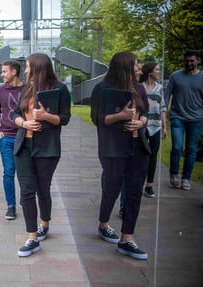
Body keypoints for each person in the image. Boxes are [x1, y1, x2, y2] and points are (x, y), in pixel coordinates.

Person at [91, 51, 150, 260]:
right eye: (137, 66)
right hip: (113, 148)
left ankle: (127, 239)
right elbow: (97, 119)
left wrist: (140, 122)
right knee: (112, 188)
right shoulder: (102, 89)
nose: (140, 70)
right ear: (125, 67)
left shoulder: (139, 88)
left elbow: (146, 112)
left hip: (138, 147)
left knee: (134, 193)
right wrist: (121, 116)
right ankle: (104, 223)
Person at [13, 53, 71, 257]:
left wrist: (46, 116)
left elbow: (65, 118)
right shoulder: (27, 88)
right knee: (27, 191)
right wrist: (24, 123)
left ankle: (44, 222)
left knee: (42, 188)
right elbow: (15, 114)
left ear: (37, 68)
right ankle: (32, 238)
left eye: (28, 67)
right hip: (24, 146)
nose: (25, 70)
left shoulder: (60, 89)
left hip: (47, 148)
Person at [0, 60, 26, 220]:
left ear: (14, 72)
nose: (1, 74)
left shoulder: (28, 89)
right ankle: (10, 205)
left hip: (25, 137)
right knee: (8, 172)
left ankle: (25, 199)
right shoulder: (0, 90)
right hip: (6, 138)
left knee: (25, 172)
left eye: (4, 71)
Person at [164, 50, 203, 191]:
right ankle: (174, 174)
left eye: (192, 60)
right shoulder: (176, 76)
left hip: (197, 119)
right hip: (177, 117)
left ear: (198, 60)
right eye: (186, 60)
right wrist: (164, 114)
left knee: (191, 149)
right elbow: (167, 96)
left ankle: (186, 178)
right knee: (177, 147)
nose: (189, 63)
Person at [140, 62, 167, 197]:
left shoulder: (160, 88)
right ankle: (138, 182)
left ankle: (149, 185)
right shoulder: (141, 88)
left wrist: (164, 127)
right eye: (157, 70)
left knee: (153, 156)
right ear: (150, 71)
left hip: (156, 126)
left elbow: (163, 108)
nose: (158, 72)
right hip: (143, 126)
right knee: (141, 155)